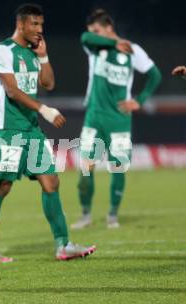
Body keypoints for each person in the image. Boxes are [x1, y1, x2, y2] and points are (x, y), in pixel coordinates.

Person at [0, 3, 96, 263]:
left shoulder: (32, 53)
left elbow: (49, 83)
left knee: (51, 181)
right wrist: (44, 109)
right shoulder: (2, 50)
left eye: (41, 24)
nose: (39, 29)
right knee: (2, 187)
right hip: (8, 130)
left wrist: (43, 57)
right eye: (34, 24)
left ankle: (64, 245)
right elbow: (10, 90)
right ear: (21, 25)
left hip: (31, 130)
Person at [71, 9, 162, 230]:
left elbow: (155, 75)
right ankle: (85, 214)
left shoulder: (133, 50)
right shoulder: (94, 47)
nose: (94, 34)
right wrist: (112, 44)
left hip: (120, 119)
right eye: (93, 31)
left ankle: (112, 214)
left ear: (108, 28)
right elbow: (85, 38)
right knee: (85, 170)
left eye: (97, 30)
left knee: (118, 168)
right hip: (94, 117)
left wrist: (139, 100)